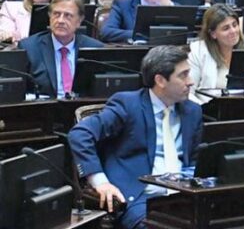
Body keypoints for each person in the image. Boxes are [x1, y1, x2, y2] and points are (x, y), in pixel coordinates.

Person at [69, 46, 203, 229]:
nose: (191, 82)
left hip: (185, 196)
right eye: (183, 75)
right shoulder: (128, 105)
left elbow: (195, 160)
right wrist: (100, 182)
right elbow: (80, 134)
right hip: (140, 198)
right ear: (160, 80)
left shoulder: (192, 111)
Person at [19, 0, 104, 97]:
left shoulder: (94, 48)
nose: (60, 20)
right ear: (49, 16)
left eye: (68, 15)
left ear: (79, 20)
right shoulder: (30, 47)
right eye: (56, 14)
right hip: (45, 106)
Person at [187, 4, 244, 104]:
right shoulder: (198, 50)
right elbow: (188, 92)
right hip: (207, 108)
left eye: (235, 25)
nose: (233, 31)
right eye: (226, 28)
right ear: (213, 34)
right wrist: (203, 109)